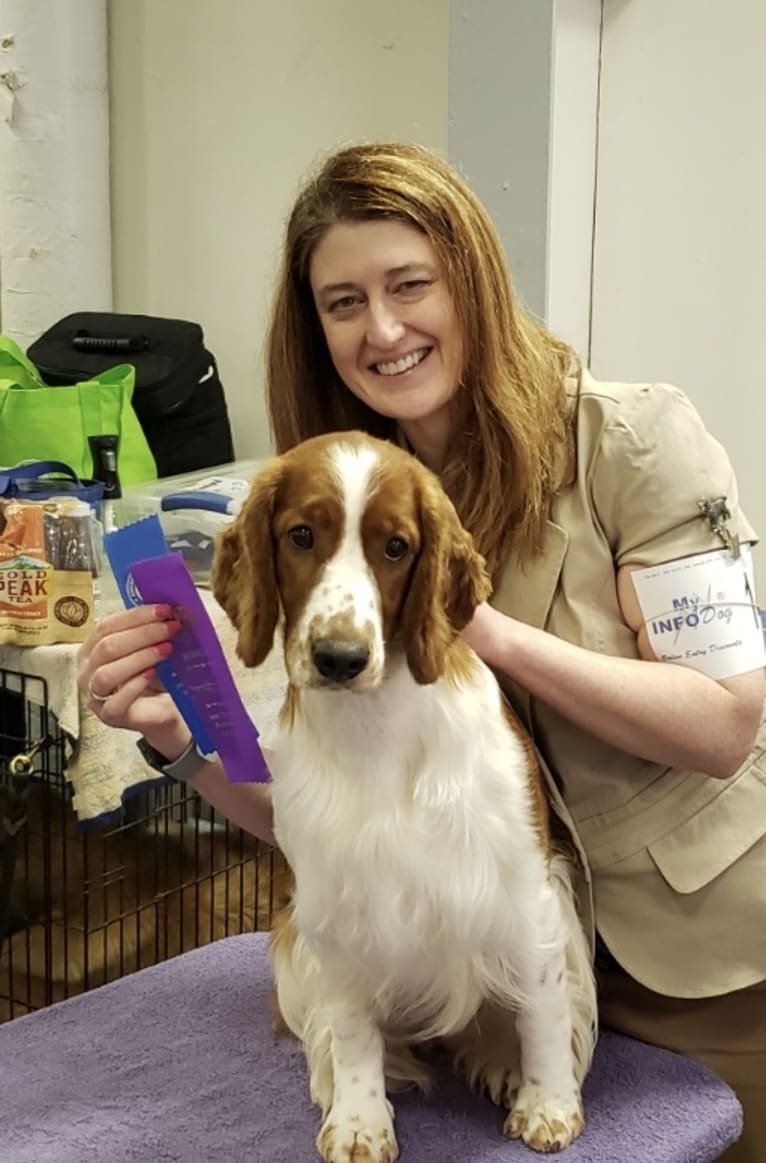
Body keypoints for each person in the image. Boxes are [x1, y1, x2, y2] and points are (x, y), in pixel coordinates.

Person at [77, 142, 765, 1161]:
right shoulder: (325, 502)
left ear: (472, 281)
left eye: (410, 285)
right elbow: (323, 832)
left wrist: (467, 624)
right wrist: (181, 741)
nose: (382, 328)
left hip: (696, 966)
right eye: (342, 300)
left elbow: (725, 723)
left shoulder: (635, 442)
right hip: (465, 995)